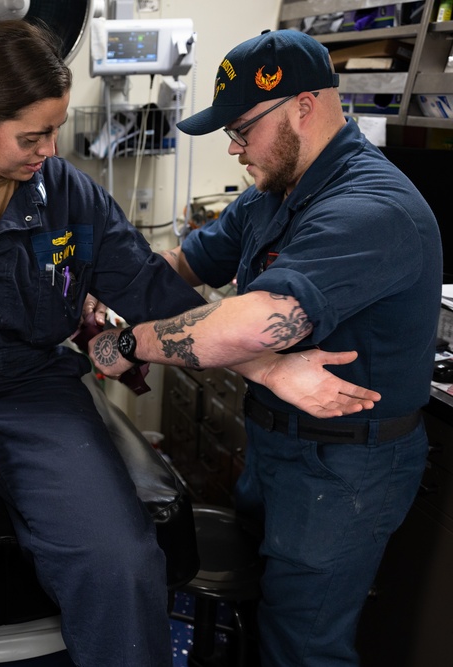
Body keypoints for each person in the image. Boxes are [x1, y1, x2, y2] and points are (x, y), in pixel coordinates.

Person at [0, 21, 382, 666]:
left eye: (55, 130)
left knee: (121, 561)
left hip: (37, 389)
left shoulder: (70, 193)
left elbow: (152, 289)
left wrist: (268, 368)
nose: (49, 148)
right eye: (32, 135)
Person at [87, 29, 441, 667]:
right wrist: (102, 294)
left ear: (303, 106)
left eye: (242, 129)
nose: (233, 147)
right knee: (264, 613)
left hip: (343, 471)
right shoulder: (272, 196)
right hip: (276, 446)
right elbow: (178, 266)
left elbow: (248, 325)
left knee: (303, 644)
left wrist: (126, 342)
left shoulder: (370, 209)